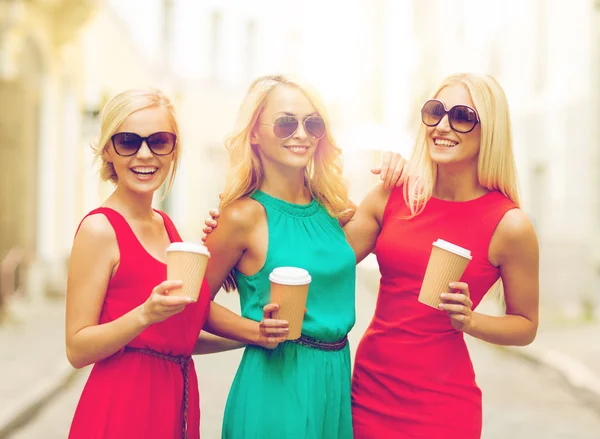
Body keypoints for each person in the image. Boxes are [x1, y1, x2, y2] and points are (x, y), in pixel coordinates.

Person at [199, 74, 406, 439]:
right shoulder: (240, 216)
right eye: (285, 123)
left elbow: (402, 210)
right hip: (275, 385)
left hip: (335, 382)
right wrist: (254, 331)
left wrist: (405, 168)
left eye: (313, 123)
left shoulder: (331, 211)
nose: (302, 133)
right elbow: (193, 305)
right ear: (254, 133)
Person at [348, 73, 540, 438]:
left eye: (463, 116)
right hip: (370, 392)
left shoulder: (509, 225)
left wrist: (470, 320)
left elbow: (526, 325)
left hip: (443, 408)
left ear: (490, 130)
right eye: (435, 112)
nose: (443, 126)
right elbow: (326, 260)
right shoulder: (392, 195)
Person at [66, 88, 240, 439]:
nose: (145, 154)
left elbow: (174, 339)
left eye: (159, 141)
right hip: (123, 409)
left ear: (174, 150)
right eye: (128, 141)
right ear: (107, 150)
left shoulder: (166, 226)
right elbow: (77, 347)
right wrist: (144, 313)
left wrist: (252, 337)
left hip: (175, 398)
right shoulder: (100, 228)